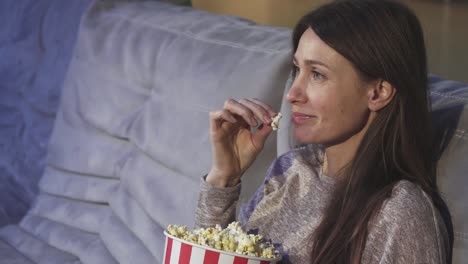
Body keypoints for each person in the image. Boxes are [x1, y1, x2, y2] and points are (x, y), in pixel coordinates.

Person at [195, 0, 454, 263]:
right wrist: (224, 178)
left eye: (317, 74)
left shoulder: (400, 214)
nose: (292, 93)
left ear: (378, 92)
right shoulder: (290, 171)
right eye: (297, 69)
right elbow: (221, 256)